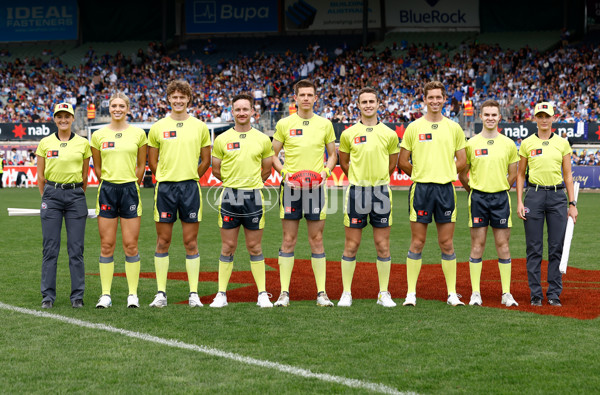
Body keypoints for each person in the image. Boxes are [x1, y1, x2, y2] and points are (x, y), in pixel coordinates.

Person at [398, 81, 467, 307]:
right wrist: (421, 174)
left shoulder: (454, 128)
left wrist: (444, 173)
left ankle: (452, 294)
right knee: (417, 242)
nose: (435, 101)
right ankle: (410, 294)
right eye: (431, 98)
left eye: (439, 97)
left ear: (444, 99)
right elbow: (402, 161)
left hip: (446, 189)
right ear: (424, 100)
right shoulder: (414, 127)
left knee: (446, 243)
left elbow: (463, 160)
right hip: (422, 190)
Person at [271, 79, 337, 307]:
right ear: (296, 98)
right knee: (288, 240)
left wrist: (325, 173)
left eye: (310, 95)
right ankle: (284, 294)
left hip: (316, 189)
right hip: (291, 189)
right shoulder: (284, 123)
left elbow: (333, 155)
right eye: (303, 95)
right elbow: (273, 154)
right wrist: (285, 174)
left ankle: (321, 294)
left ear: (315, 98)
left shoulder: (325, 124)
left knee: (316, 240)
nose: (306, 98)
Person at [147, 79, 211, 308]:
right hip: (165, 188)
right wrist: (166, 176)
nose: (178, 101)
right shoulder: (158, 127)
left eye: (182, 97)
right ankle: (161, 294)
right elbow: (152, 162)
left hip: (190, 188)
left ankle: (194, 293)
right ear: (169, 99)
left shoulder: (200, 126)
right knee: (163, 241)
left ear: (188, 99)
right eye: (174, 97)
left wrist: (192, 176)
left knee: (190, 242)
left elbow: (205, 160)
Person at [209, 93, 274, 308]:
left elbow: (266, 170)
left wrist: (250, 183)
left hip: (253, 196)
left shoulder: (263, 139)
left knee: (254, 246)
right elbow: (216, 170)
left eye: (246, 109)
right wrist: (234, 183)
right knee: (228, 246)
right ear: (232, 112)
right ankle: (221, 294)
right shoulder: (222, 139)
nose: (242, 113)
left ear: (253, 112)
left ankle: (262, 294)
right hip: (229, 195)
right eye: (238, 109)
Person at [337, 87, 400, 307]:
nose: (368, 105)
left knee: (382, 245)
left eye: (372, 101)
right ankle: (346, 292)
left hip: (381, 192)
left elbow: (392, 164)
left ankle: (383, 293)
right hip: (357, 192)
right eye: (364, 102)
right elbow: (344, 162)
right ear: (358, 105)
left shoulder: (389, 134)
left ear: (378, 104)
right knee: (351, 245)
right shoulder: (348, 134)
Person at [458, 100, 519, 307]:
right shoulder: (471, 143)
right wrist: (474, 190)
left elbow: (513, 174)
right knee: (477, 245)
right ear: (481, 117)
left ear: (499, 117)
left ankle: (506, 293)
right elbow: (463, 173)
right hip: (478, 199)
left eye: (494, 115)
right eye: (487, 114)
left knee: (503, 245)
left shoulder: (509, 144)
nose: (491, 118)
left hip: (501, 198)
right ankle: (476, 293)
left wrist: (500, 186)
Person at [516, 102, 578, 307]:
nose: (543, 119)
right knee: (534, 247)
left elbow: (568, 175)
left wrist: (572, 203)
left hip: (557, 196)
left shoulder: (562, 143)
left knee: (555, 247)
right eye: (540, 116)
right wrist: (519, 202)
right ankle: (535, 294)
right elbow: (520, 174)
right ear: (535, 118)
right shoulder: (527, 143)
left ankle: (553, 293)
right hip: (533, 196)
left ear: (553, 118)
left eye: (547, 116)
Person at [90, 92, 147, 308]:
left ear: (128, 108)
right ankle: (106, 295)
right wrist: (110, 180)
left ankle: (133, 294)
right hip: (107, 190)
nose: (117, 109)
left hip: (130, 189)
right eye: (114, 105)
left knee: (130, 245)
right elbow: (97, 166)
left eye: (121, 105)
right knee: (107, 245)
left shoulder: (139, 134)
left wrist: (133, 182)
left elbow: (141, 165)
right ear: (109, 108)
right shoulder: (98, 135)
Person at [36, 103, 92, 308]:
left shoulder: (83, 144)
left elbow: (85, 176)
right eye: (59, 116)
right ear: (54, 119)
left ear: (72, 118)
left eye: (67, 116)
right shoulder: (45, 142)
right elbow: (40, 176)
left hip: (76, 196)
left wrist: (76, 193)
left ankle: (77, 296)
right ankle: (47, 297)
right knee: (50, 249)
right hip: (51, 196)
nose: (63, 120)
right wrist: (47, 197)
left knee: (76, 249)